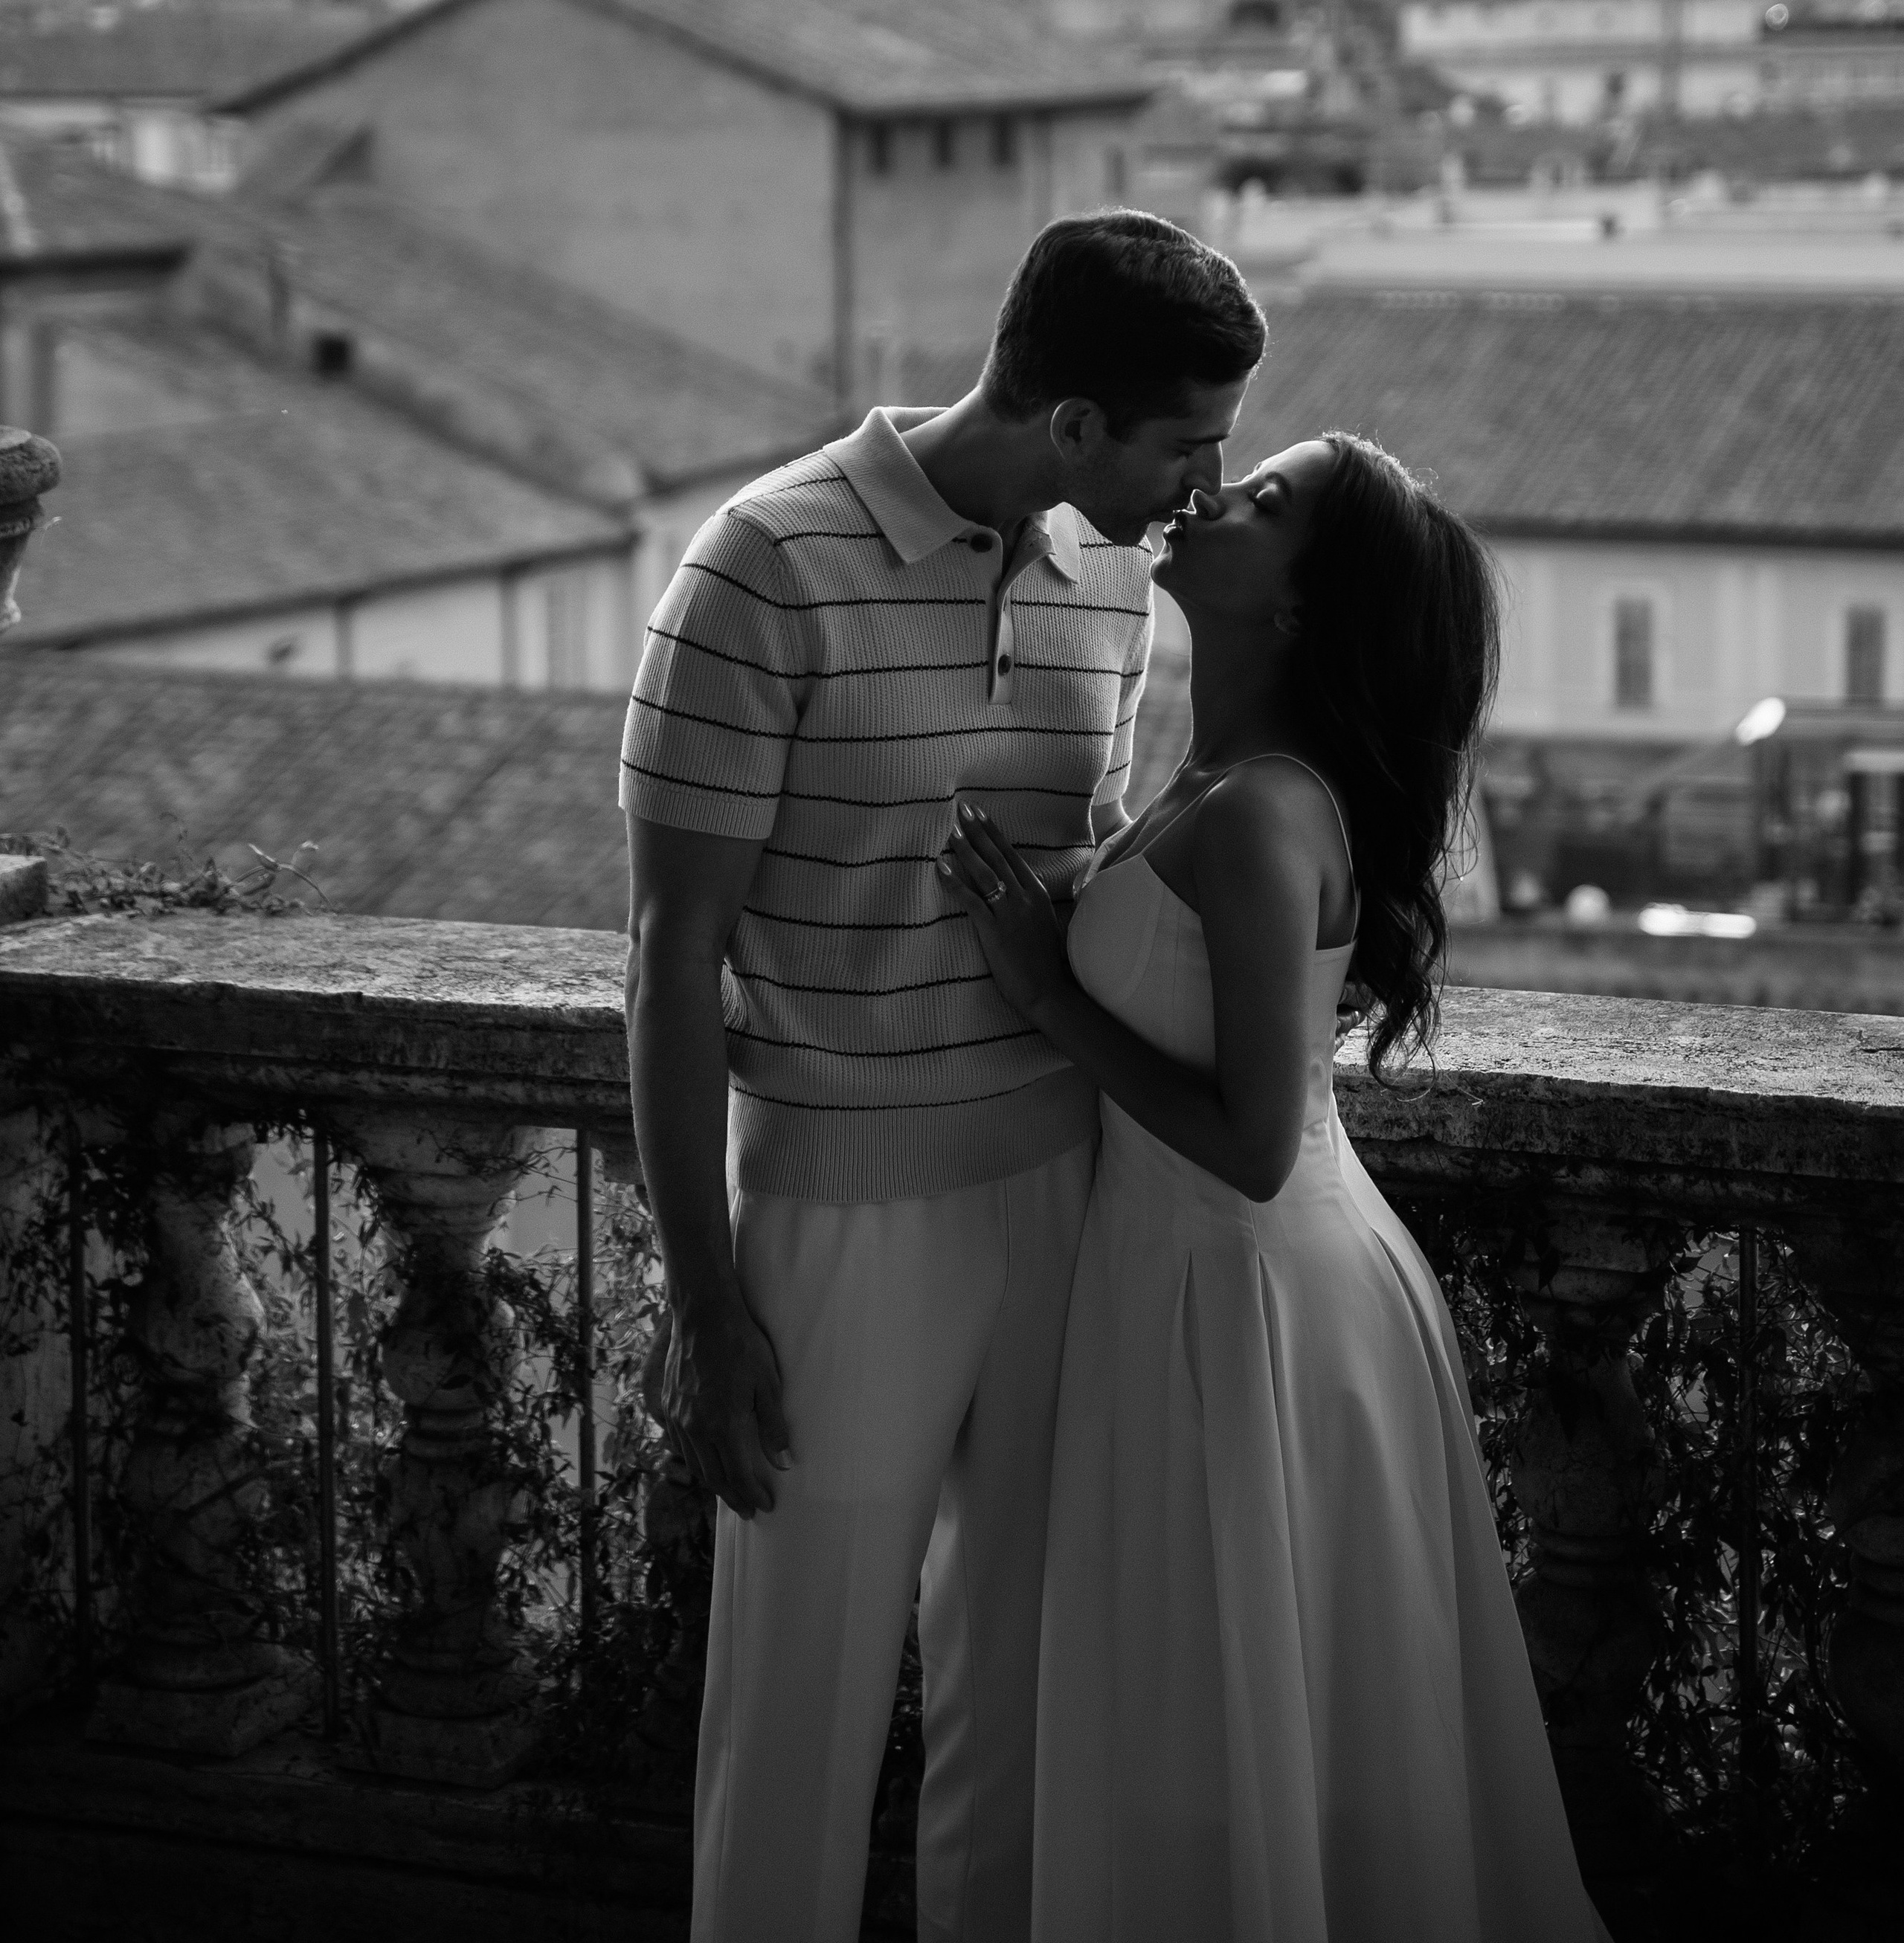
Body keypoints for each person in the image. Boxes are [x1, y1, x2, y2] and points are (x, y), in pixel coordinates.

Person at [620, 210, 1267, 1943]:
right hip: (837, 1218)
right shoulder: (760, 562)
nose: (1204, 489)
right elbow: (669, 954)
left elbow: (1094, 882)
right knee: (796, 1714)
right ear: (1069, 428)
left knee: (1025, 1713)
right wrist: (704, 1298)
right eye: (1184, 446)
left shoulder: (1115, 583)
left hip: (1068, 1201)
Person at [941, 434, 1612, 1942]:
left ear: (1301, 605)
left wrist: (1048, 991)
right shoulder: (1218, 778)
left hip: (1235, 1289)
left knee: (1227, 1710)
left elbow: (1248, 1141)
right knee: (1218, 1709)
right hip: (1195, 1274)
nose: (1212, 498)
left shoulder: (1255, 814)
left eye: (1265, 503)